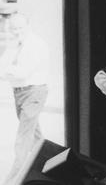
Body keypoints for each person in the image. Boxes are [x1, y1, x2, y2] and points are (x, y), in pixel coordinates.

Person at [0, 13, 49, 185]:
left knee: (23, 137)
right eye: (13, 29)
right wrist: (11, 70)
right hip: (19, 92)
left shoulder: (37, 45)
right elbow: (2, 68)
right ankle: (52, 163)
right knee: (35, 135)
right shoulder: (14, 45)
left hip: (34, 92)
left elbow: (23, 72)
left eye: (20, 28)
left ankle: (13, 180)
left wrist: (10, 70)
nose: (17, 31)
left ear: (28, 26)